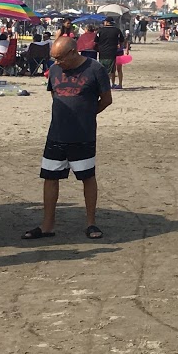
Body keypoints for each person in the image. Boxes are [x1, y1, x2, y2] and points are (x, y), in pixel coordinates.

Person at [24, 34, 113, 241]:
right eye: (54, 58)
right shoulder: (54, 70)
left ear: (73, 52)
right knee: (50, 177)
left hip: (83, 134)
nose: (56, 62)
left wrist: (86, 114)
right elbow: (55, 95)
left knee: (87, 177)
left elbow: (106, 100)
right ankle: (47, 225)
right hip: (56, 133)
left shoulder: (95, 69)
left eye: (60, 58)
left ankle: (91, 223)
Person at [94, 15, 126, 88]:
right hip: (112, 52)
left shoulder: (100, 30)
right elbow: (122, 41)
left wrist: (97, 49)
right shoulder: (117, 30)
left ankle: (104, 84)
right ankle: (112, 83)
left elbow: (96, 42)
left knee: (103, 68)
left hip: (102, 52)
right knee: (112, 69)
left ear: (107, 22)